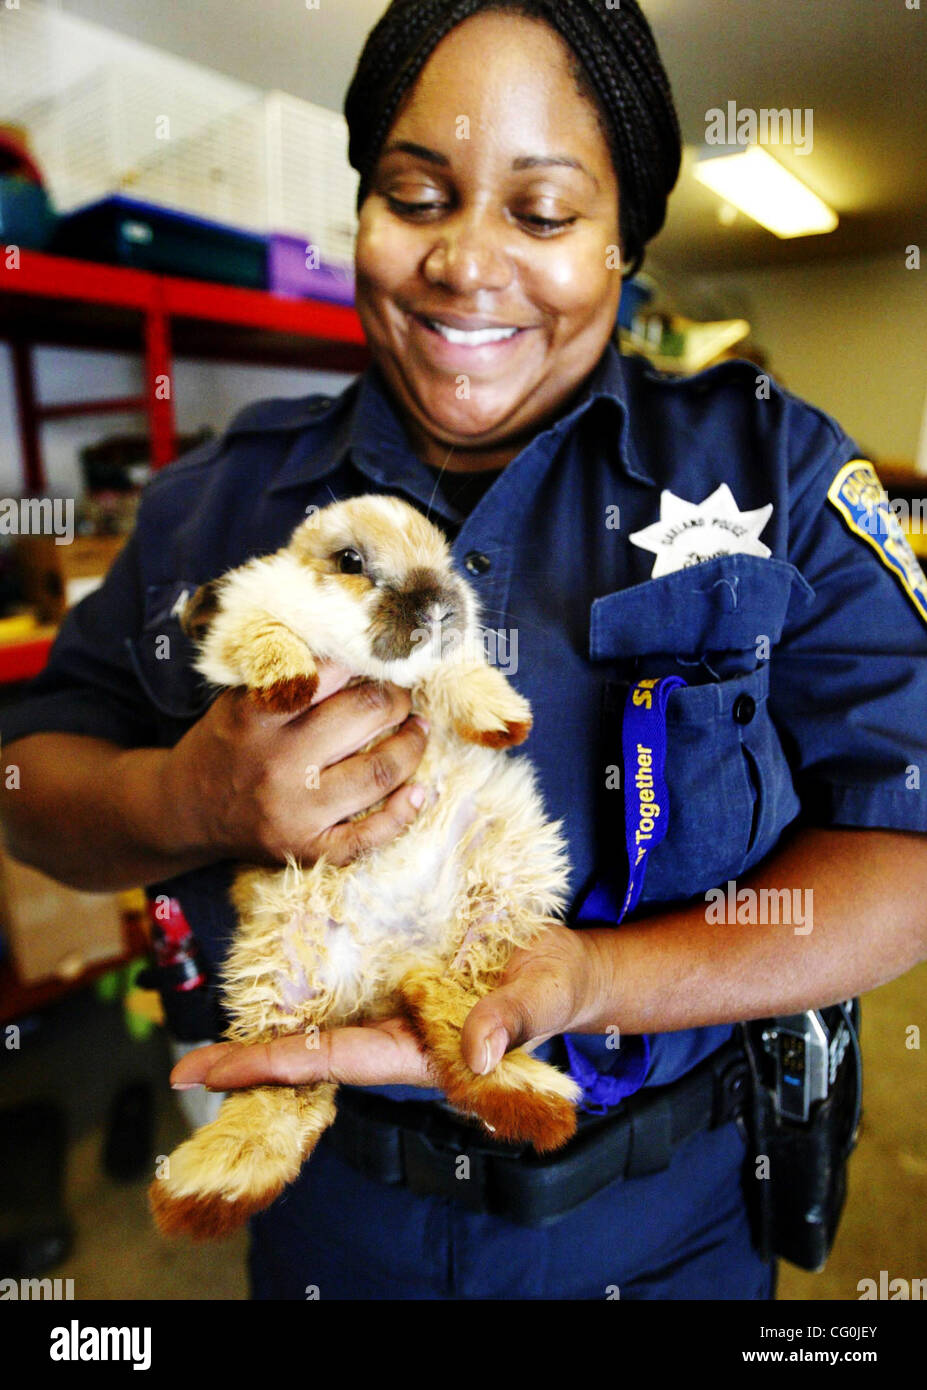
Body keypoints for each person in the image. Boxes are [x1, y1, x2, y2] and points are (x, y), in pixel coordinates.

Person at [2, 0, 926, 1301]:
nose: (467, 262)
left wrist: (597, 975)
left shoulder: (774, 469)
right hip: (334, 1229)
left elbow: (907, 839)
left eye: (542, 214)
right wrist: (187, 797)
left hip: (663, 1232)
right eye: (416, 194)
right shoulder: (215, 499)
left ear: (625, 243)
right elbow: (27, 786)